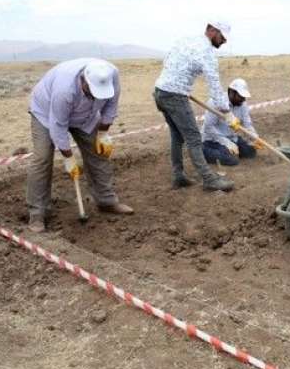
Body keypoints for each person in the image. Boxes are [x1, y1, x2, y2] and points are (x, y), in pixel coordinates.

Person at [26, 58, 133, 232]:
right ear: (83, 81)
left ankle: (106, 201)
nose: (95, 96)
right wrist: (69, 158)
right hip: (46, 114)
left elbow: (111, 107)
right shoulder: (65, 90)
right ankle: (37, 214)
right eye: (92, 92)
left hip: (86, 116)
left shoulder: (111, 74)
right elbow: (58, 126)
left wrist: (103, 133)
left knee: (98, 152)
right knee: (42, 159)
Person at [153, 22, 237, 192]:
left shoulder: (185, 40)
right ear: (212, 31)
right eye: (222, 37)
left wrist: (176, 82)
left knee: (177, 136)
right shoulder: (207, 53)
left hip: (160, 92)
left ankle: (179, 176)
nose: (224, 41)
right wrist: (227, 112)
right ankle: (209, 180)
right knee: (194, 138)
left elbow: (167, 60)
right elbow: (214, 85)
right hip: (175, 96)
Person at [201, 78, 257, 166]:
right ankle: (204, 151)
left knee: (251, 152)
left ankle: (228, 149)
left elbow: (247, 123)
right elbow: (208, 128)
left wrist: (254, 137)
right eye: (241, 96)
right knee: (232, 159)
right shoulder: (216, 103)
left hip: (232, 138)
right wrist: (226, 143)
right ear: (231, 92)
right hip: (213, 140)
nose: (243, 99)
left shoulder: (242, 104)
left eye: (244, 97)